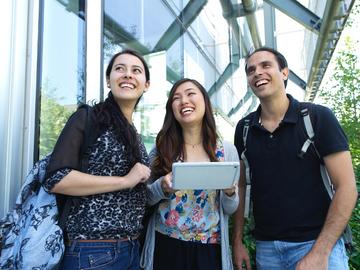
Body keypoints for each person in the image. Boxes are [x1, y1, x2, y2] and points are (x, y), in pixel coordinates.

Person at [232, 47, 358, 270]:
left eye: (266, 65)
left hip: (317, 244)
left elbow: (346, 187)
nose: (257, 73)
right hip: (267, 250)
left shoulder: (317, 118)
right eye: (251, 70)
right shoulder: (244, 128)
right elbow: (240, 186)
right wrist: (238, 241)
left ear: (284, 72)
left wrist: (321, 251)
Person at [43, 49, 151, 270]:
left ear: (146, 85)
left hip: (131, 251)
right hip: (92, 252)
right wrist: (124, 181)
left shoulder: (135, 135)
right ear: (108, 81)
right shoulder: (88, 118)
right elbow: (56, 178)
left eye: (136, 70)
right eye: (120, 69)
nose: (128, 75)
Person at [140, 78, 240, 270]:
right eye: (176, 98)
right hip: (166, 245)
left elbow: (230, 208)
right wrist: (161, 186)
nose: (184, 100)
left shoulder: (226, 151)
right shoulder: (161, 149)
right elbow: (145, 198)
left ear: (205, 101)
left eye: (190, 93)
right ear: (172, 110)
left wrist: (229, 193)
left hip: (209, 250)